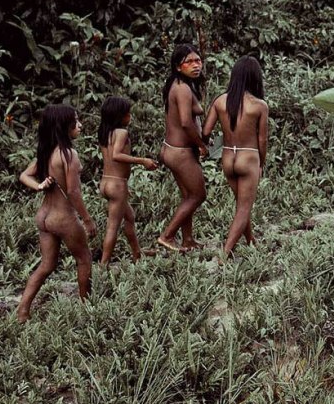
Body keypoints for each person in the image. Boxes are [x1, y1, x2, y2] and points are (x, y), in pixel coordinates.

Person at [17, 105, 96, 322]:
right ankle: (85, 309)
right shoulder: (68, 154)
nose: (80, 125)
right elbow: (73, 190)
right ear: (64, 126)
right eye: (76, 121)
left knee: (46, 265)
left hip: (44, 217)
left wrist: (39, 186)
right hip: (63, 218)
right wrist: (87, 219)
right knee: (84, 259)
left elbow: (24, 175)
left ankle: (22, 310)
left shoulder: (47, 152)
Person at [202, 56, 269, 257]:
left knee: (241, 204)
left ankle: (251, 241)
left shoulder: (221, 101)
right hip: (248, 157)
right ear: (255, 78)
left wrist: (206, 145)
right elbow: (262, 140)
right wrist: (261, 163)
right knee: (244, 207)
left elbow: (205, 132)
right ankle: (225, 253)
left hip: (228, 157)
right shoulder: (259, 105)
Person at [156, 44, 208, 252]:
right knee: (198, 195)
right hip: (181, 152)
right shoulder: (183, 88)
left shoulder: (178, 85)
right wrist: (201, 145)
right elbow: (186, 122)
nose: (196, 65)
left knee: (188, 196)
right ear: (178, 67)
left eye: (198, 60)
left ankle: (187, 239)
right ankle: (167, 235)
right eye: (189, 62)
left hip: (171, 149)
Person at [98, 96, 158, 265]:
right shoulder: (122, 133)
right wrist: (142, 160)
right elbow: (116, 155)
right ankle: (103, 264)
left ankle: (137, 253)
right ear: (120, 116)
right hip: (117, 184)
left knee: (129, 217)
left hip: (106, 182)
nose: (130, 116)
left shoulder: (105, 133)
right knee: (112, 226)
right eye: (128, 113)